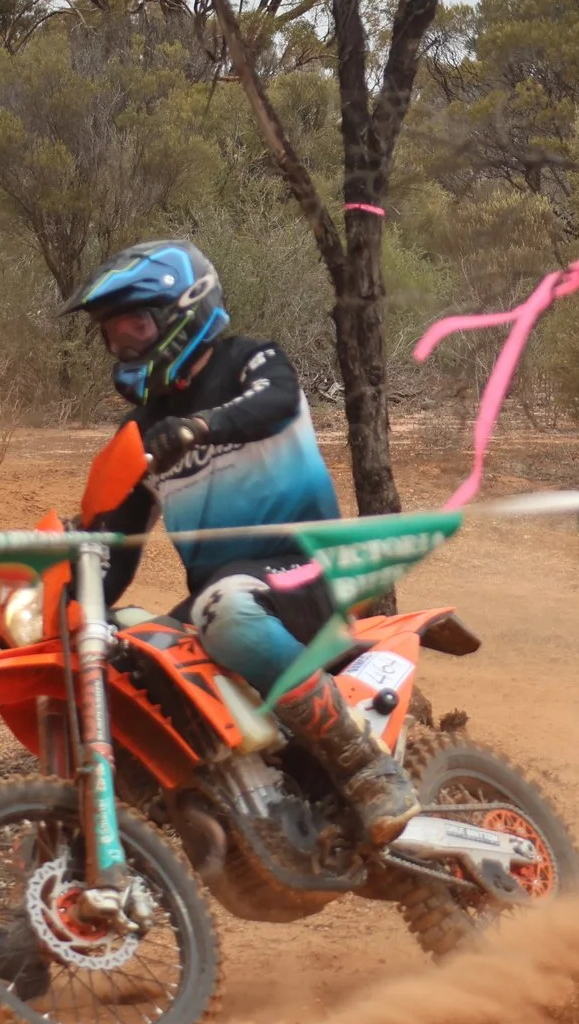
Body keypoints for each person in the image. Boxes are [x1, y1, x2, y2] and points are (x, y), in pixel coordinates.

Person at [64, 240, 419, 847]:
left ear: (185, 311)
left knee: (224, 613)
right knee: (126, 648)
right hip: (229, 595)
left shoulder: (253, 362)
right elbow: (116, 556)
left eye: (138, 325)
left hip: (307, 571)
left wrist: (202, 426)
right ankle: (227, 798)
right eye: (113, 335)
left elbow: (275, 403)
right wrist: (68, 579)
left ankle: (364, 763)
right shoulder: (139, 433)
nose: (124, 345)